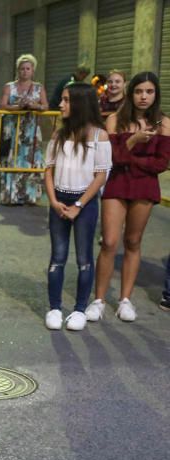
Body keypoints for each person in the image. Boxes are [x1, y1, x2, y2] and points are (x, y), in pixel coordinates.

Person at [87, 71, 170, 322]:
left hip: (144, 187)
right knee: (110, 242)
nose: (143, 97)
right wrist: (133, 141)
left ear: (156, 94)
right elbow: (112, 158)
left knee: (133, 241)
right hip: (117, 184)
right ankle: (99, 300)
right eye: (138, 91)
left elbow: (162, 163)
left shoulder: (164, 123)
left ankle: (125, 299)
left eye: (149, 92)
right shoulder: (115, 120)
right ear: (130, 93)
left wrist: (129, 158)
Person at [43, 83, 110, 331]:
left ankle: (80, 309)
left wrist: (79, 205)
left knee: (84, 258)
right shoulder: (59, 135)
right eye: (62, 99)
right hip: (59, 200)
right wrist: (53, 201)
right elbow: (48, 170)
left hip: (86, 203)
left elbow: (100, 175)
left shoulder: (98, 136)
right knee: (57, 257)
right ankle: (54, 307)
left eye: (66, 100)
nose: (61, 104)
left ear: (81, 103)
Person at [0, 54, 48, 205]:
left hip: (31, 131)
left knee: (31, 160)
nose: (25, 71)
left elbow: (45, 106)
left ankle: (30, 196)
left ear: (33, 71)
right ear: (17, 70)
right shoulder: (9, 86)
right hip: (13, 130)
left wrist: (34, 106)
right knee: (12, 159)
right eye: (22, 69)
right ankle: (11, 196)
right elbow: (2, 105)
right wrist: (17, 107)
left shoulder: (39, 88)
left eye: (28, 68)